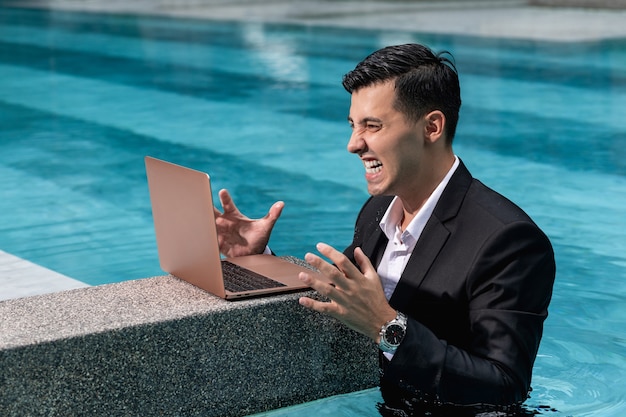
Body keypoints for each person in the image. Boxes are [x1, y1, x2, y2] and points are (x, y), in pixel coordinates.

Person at [213, 44, 556, 416]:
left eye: (372, 126)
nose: (353, 144)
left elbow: (506, 386)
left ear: (432, 127)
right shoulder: (377, 211)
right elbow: (337, 298)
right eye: (353, 125)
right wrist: (257, 260)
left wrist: (386, 326)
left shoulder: (509, 240)